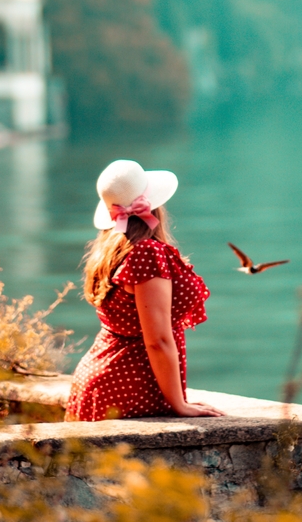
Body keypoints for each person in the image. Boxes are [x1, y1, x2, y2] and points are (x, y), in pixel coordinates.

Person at [66, 159, 224, 421]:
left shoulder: (112, 248)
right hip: (124, 390)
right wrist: (180, 405)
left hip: (103, 381)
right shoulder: (148, 253)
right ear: (154, 204)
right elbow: (158, 340)